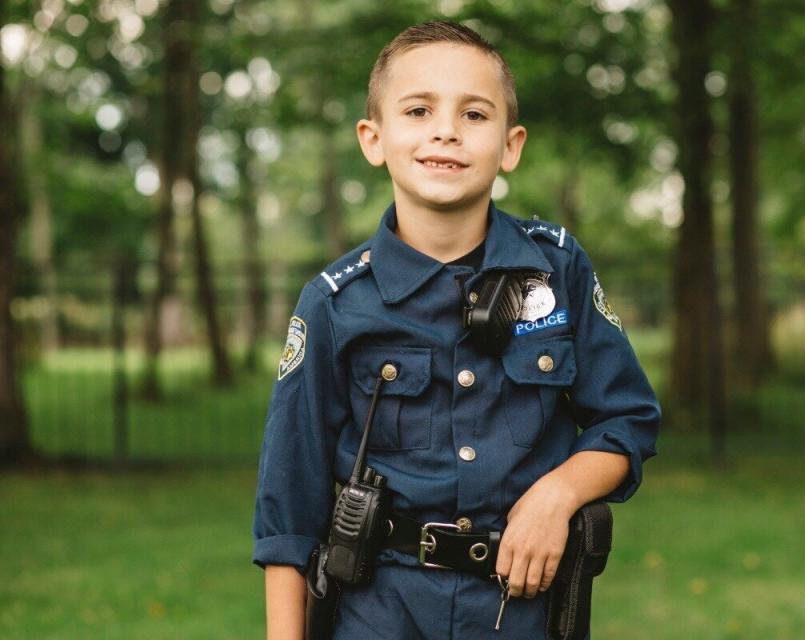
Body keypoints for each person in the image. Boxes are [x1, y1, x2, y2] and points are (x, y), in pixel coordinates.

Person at [252, 20, 660, 640]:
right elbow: (289, 507)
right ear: (373, 138)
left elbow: (627, 419)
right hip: (379, 613)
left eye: (475, 115)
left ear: (511, 145)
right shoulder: (336, 303)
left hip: (520, 614)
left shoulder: (557, 269)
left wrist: (557, 494)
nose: (446, 130)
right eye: (418, 110)